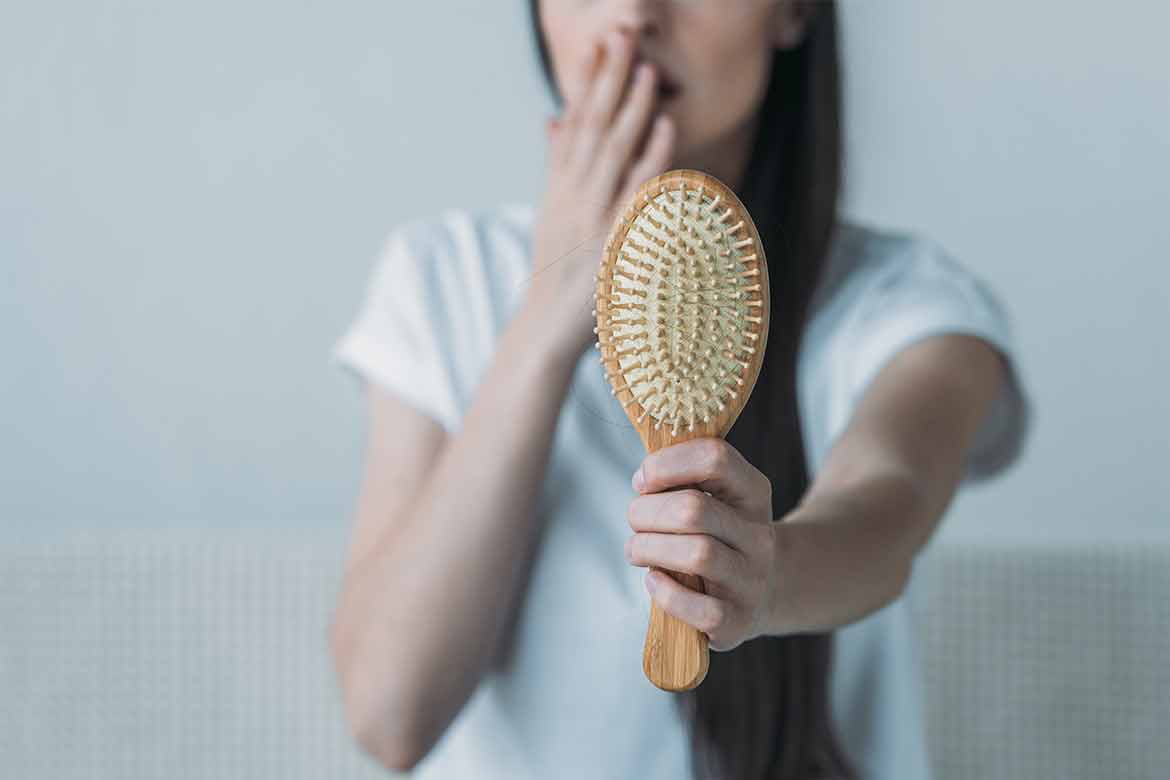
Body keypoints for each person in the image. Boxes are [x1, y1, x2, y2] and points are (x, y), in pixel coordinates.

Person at [328, 1, 1032, 778]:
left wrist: (770, 578)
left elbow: (885, 508)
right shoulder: (441, 280)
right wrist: (545, 324)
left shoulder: (910, 307)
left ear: (794, 10)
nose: (632, 15)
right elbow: (389, 716)